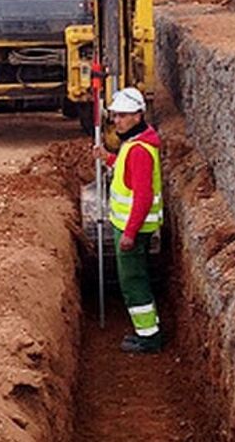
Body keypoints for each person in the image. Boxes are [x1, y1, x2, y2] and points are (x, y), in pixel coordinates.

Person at [93, 87, 164, 354]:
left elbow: (142, 196)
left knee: (133, 281)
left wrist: (130, 233)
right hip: (132, 226)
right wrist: (107, 159)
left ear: (137, 116)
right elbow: (128, 176)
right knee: (135, 278)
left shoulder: (139, 150)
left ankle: (148, 336)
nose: (116, 121)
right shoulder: (135, 144)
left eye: (122, 116)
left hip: (133, 228)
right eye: (115, 115)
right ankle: (149, 329)